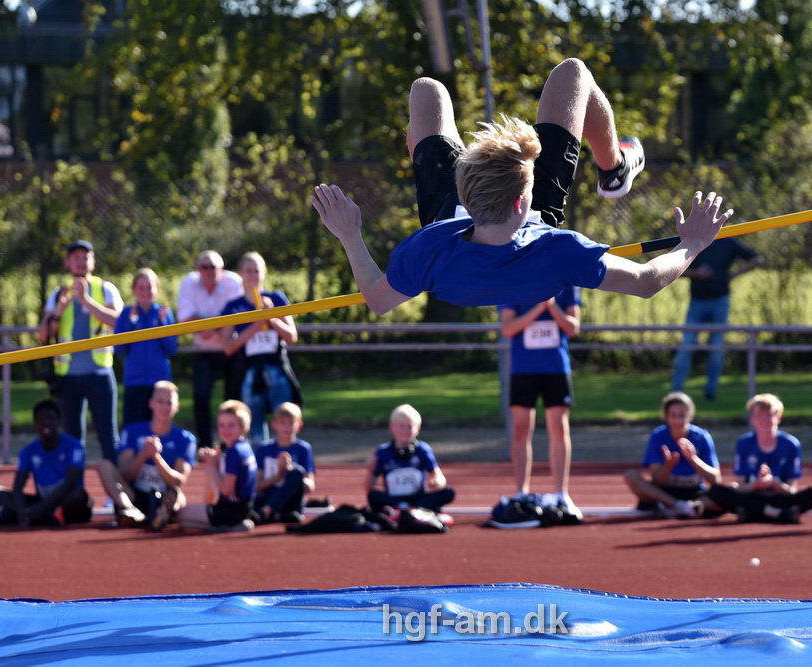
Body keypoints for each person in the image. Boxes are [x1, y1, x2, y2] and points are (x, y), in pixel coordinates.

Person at [311, 57, 731, 314]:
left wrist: (349, 234)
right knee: (573, 73)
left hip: (450, 222)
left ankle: (463, 162)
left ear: (464, 191)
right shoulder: (559, 250)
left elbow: (379, 300)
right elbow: (646, 282)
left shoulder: (428, 247)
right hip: (519, 240)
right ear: (521, 202)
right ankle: (614, 168)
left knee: (428, 92)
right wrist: (691, 244)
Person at [499, 286, 582, 519]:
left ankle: (561, 493)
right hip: (523, 368)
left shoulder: (567, 283)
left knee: (558, 426)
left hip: (555, 367)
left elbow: (572, 327)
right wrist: (538, 308)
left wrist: (552, 306)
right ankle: (521, 492)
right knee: (520, 428)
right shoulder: (514, 281)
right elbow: (508, 328)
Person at [38, 240, 123, 462]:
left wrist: (86, 299)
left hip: (99, 373)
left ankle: (115, 492)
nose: (81, 262)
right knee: (72, 438)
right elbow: (44, 334)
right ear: (68, 262)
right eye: (75, 257)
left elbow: (119, 324)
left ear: (93, 262)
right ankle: (74, 491)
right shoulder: (58, 293)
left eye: (85, 257)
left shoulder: (105, 289)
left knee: (108, 435)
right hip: (68, 376)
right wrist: (60, 309)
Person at [706, 393, 812, 524]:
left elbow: (791, 490)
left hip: (779, 498)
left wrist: (773, 483)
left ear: (779, 417)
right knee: (716, 491)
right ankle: (775, 513)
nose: (764, 420)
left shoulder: (791, 445)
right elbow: (741, 486)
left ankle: (753, 513)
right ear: (752, 419)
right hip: (752, 496)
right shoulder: (744, 443)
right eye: (759, 415)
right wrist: (756, 485)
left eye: (769, 415)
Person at [220, 252, 302, 444]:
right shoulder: (233, 306)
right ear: (241, 274)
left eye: (256, 270)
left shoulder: (277, 298)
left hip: (276, 367)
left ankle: (286, 459)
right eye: (248, 271)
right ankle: (260, 465)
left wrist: (271, 317)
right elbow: (228, 347)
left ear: (264, 273)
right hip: (250, 371)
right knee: (253, 421)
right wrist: (256, 324)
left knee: (284, 418)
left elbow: (291, 337)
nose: (252, 275)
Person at [670, 238, 763, 401]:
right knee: (686, 345)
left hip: (720, 301)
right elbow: (672, 268)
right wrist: (696, 273)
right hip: (697, 302)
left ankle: (710, 392)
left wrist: (733, 274)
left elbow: (757, 259)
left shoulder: (728, 242)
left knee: (716, 348)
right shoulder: (694, 240)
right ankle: (676, 392)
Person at [97, 381, 196, 531]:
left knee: (178, 496)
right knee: (104, 465)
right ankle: (129, 509)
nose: (164, 407)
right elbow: (125, 474)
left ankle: (163, 513)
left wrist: (156, 458)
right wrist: (143, 455)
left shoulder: (186, 439)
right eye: (160, 402)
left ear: (177, 407)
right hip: (134, 493)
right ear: (151, 404)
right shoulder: (132, 432)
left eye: (169, 403)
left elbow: (178, 481)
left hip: (165, 493)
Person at [0, 398, 92, 526]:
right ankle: (46, 516)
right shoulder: (28, 451)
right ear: (35, 423)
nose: (46, 423)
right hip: (41, 500)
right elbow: (18, 486)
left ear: (59, 421)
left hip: (64, 499)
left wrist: (41, 508)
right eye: (41, 419)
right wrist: (21, 512)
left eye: (50, 418)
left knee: (80, 496)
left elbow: (70, 482)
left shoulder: (74, 446)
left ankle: (35, 514)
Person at [176, 250, 245, 448]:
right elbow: (186, 321)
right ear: (198, 269)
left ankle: (231, 446)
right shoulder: (189, 283)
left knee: (233, 399)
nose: (209, 271)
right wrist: (220, 323)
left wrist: (206, 324)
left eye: (213, 267)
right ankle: (204, 445)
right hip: (203, 350)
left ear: (222, 269)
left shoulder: (233, 282)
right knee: (201, 396)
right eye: (204, 267)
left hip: (230, 349)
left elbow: (240, 317)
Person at [623, 391, 721, 519]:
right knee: (631, 476)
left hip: (694, 491)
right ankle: (678, 506)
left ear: (690, 415)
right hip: (665, 492)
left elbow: (716, 480)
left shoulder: (701, 437)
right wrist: (668, 465)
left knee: (727, 492)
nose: (678, 421)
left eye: (682, 415)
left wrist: (693, 459)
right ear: (666, 417)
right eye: (673, 416)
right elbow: (657, 480)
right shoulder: (658, 436)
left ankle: (691, 506)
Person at [176, 400, 258, 532]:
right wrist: (212, 458)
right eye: (222, 425)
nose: (225, 430)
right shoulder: (242, 446)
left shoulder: (234, 452)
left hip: (229, 510)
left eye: (231, 425)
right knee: (187, 516)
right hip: (244, 507)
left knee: (181, 516)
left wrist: (211, 465)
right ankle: (227, 522)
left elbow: (226, 490)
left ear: (243, 427)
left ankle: (226, 526)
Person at [114, 268, 178, 427]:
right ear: (133, 290)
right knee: (133, 427)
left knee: (159, 426)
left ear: (156, 289)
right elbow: (118, 348)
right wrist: (131, 323)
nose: (145, 292)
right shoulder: (126, 313)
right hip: (134, 381)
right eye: (141, 288)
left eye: (149, 287)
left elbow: (171, 348)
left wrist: (163, 324)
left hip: (159, 382)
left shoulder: (163, 313)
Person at [365, 404, 455, 513]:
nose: (405, 430)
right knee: (373, 496)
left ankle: (415, 509)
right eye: (401, 426)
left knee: (448, 492)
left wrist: (437, 483)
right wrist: (370, 471)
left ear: (418, 428)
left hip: (418, 499)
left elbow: (439, 477)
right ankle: (404, 508)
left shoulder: (423, 450)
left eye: (410, 426)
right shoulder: (383, 452)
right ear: (391, 427)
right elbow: (370, 488)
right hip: (393, 500)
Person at [252, 402, 317, 524]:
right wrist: (278, 475)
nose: (287, 427)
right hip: (268, 496)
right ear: (274, 424)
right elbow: (257, 487)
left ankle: (268, 512)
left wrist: (290, 471)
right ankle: (272, 511)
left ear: (299, 426)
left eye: (291, 423)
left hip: (292, 501)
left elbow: (310, 486)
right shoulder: (264, 449)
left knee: (297, 471)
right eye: (283, 422)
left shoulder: (304, 449)